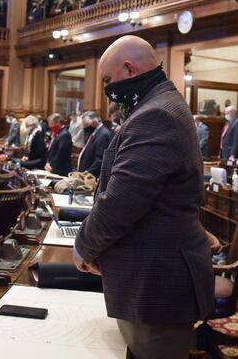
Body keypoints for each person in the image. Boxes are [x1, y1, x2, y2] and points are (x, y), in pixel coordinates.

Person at [74, 35, 213, 358]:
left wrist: (84, 246)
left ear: (129, 68)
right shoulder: (157, 104)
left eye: (108, 80)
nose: (107, 88)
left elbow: (121, 201)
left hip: (158, 281)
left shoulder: (157, 114)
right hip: (151, 274)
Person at [77, 111, 111, 178]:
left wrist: (88, 173)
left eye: (86, 125)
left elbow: (100, 159)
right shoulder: (96, 132)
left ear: (94, 122)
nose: (85, 128)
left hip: (92, 176)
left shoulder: (103, 134)